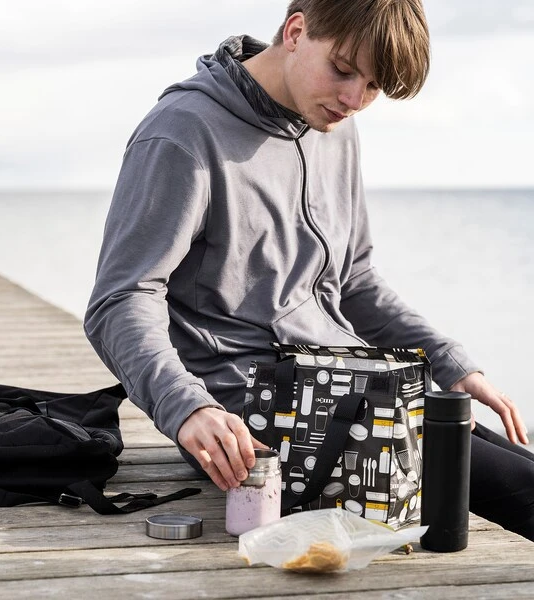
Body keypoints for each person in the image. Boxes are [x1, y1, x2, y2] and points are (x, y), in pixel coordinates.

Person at [84, 0, 534, 540]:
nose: (354, 99)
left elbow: (354, 281)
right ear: (296, 31)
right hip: (247, 416)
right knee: (522, 490)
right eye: (343, 70)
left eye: (374, 86)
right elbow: (121, 298)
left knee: (509, 459)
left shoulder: (334, 126)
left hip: (349, 384)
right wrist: (185, 408)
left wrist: (450, 363)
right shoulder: (182, 133)